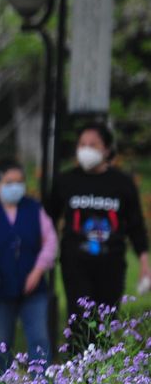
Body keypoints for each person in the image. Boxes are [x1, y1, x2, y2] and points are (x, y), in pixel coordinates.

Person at [45, 122, 150, 345]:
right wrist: (46, 252)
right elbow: (48, 219)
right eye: (82, 144)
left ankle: (100, 371)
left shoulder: (122, 183)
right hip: (75, 262)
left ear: (106, 149)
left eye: (93, 144)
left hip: (111, 262)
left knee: (106, 321)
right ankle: (79, 373)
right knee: (80, 320)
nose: (86, 149)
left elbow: (136, 225)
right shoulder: (66, 181)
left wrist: (143, 262)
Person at [0, 158, 57, 372]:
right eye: (9, 182)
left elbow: (50, 242)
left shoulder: (34, 209)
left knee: (39, 338)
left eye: (20, 181)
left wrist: (38, 270)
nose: (15, 186)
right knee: (1, 342)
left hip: (33, 288)